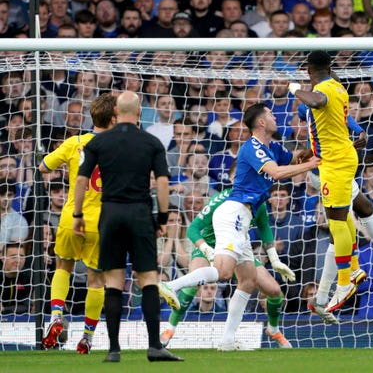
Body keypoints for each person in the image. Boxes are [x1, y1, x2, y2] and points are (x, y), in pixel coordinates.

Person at [157, 103, 319, 351]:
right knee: (222, 272)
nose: (276, 117)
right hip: (233, 213)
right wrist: (312, 165)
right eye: (271, 114)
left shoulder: (272, 147)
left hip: (242, 220)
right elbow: (276, 173)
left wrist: (318, 150)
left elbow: (295, 157)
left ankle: (227, 341)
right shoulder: (252, 147)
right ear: (262, 122)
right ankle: (172, 286)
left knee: (248, 280)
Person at [291, 63, 373, 317]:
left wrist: (358, 130)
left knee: (362, 209)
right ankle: (338, 284)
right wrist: (294, 89)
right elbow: (318, 125)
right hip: (326, 169)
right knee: (338, 229)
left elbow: (337, 120)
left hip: (336, 163)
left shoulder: (332, 96)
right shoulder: (311, 99)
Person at [72, 91, 182, 362]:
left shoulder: (99, 142)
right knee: (148, 280)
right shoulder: (151, 141)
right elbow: (163, 183)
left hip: (110, 214)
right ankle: (155, 346)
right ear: (138, 113)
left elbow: (81, 180)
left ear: (116, 113)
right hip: (140, 213)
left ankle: (113, 350)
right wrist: (163, 218)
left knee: (113, 281)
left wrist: (77, 214)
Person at [159, 164, 294, 349]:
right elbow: (192, 229)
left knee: (274, 290)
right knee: (193, 284)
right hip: (209, 244)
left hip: (238, 246)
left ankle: (272, 328)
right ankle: (170, 328)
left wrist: (275, 260)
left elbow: (264, 229)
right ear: (232, 180)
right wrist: (206, 250)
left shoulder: (258, 201)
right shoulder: (220, 199)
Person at [39, 93, 116, 353]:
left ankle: (57, 315)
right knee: (96, 280)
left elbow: (43, 167)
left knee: (63, 266)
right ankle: (87, 337)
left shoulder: (75, 143)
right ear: (114, 119)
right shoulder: (121, 147)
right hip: (101, 223)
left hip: (72, 217)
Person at [288, 50, 360, 312]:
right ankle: (353, 269)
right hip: (336, 157)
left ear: (308, 70)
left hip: (336, 163)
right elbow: (328, 124)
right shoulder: (338, 86)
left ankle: (344, 284)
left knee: (336, 222)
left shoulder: (324, 90)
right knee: (343, 216)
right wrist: (310, 150)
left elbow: (317, 102)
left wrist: (295, 88)